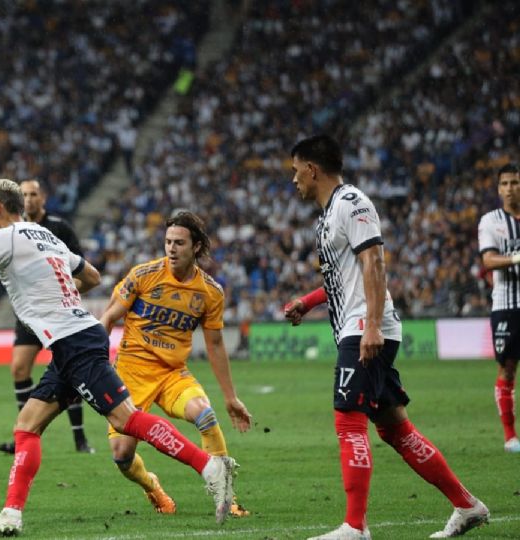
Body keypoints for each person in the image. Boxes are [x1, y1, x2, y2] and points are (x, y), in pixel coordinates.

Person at [0, 179, 238, 538]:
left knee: (125, 420)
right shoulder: (46, 236)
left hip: (74, 342)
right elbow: (91, 277)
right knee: (27, 425)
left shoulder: (0, 239)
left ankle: (209, 467)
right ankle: (11, 515)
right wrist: (58, 295)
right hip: (71, 340)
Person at [283, 135, 488, 540]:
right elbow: (346, 278)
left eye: (295, 171)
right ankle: (468, 506)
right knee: (394, 428)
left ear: (312, 169)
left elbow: (374, 260)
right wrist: (308, 302)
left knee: (348, 421)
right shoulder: (327, 216)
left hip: (365, 327)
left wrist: (372, 324)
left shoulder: (352, 203)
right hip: (360, 324)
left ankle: (355, 528)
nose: (293, 181)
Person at [99, 211, 252, 517]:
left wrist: (230, 397)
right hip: (131, 374)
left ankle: (226, 496)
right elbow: (108, 318)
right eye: (168, 242)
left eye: (179, 243)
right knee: (122, 456)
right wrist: (98, 369)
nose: (171, 248)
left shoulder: (210, 292)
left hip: (172, 375)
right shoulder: (143, 275)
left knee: (205, 416)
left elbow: (216, 344)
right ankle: (151, 486)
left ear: (196, 246)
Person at [0, 178, 93, 455]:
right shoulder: (12, 231)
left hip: (58, 313)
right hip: (29, 316)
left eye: (33, 194)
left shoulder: (59, 228)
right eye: (24, 194)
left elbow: (81, 269)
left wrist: (59, 293)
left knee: (70, 370)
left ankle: (80, 438)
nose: (29, 199)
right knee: (18, 368)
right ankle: (24, 433)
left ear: (43, 197)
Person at [477, 163, 520, 453]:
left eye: (514, 183)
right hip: (506, 306)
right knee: (507, 369)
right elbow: (488, 261)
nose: (509, 189)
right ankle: (510, 437)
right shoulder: (490, 221)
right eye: (504, 183)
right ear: (498, 188)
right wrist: (517, 258)